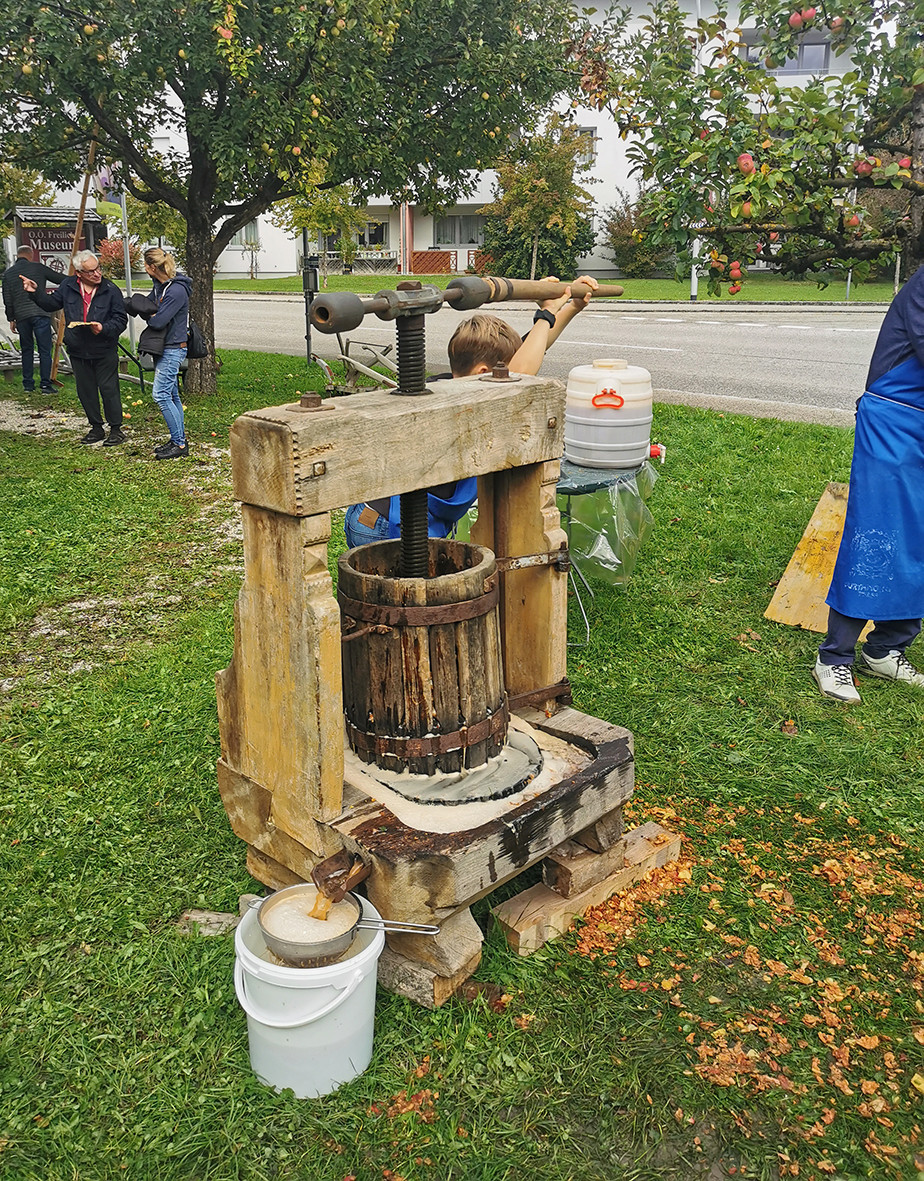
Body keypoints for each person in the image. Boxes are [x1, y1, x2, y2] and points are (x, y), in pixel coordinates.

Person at [344, 276, 599, 547]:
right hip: (382, 525)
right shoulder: (456, 403)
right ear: (485, 374)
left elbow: (531, 352)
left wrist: (570, 307)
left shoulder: (460, 384)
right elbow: (519, 375)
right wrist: (544, 314)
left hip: (409, 521)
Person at [813, 263, 924, 703]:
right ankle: (834, 657)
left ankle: (887, 649)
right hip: (894, 419)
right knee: (877, 534)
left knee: (918, 540)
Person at [21, 250, 128, 446]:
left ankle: (116, 429)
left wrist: (104, 328)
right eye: (90, 272)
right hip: (78, 348)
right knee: (85, 390)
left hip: (104, 349)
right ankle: (96, 428)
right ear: (79, 273)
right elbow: (51, 303)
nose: (97, 274)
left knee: (109, 389)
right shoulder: (68, 286)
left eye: (98, 269)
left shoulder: (111, 289)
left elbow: (121, 320)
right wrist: (35, 292)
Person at [126, 248, 192, 460]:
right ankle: (178, 439)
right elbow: (149, 306)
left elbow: (157, 321)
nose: (144, 269)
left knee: (161, 395)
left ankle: (180, 444)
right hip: (165, 347)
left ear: (151, 267)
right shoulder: (162, 286)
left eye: (145, 266)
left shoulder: (175, 291)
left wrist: (152, 314)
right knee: (171, 395)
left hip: (173, 347)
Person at [2, 245, 63, 395]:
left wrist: (11, 318)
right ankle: (45, 385)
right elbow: (59, 279)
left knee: (27, 350)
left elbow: (7, 299)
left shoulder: (8, 274)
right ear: (31, 255)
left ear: (18, 256)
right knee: (44, 349)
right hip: (40, 312)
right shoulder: (39, 268)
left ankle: (28, 384)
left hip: (22, 316)